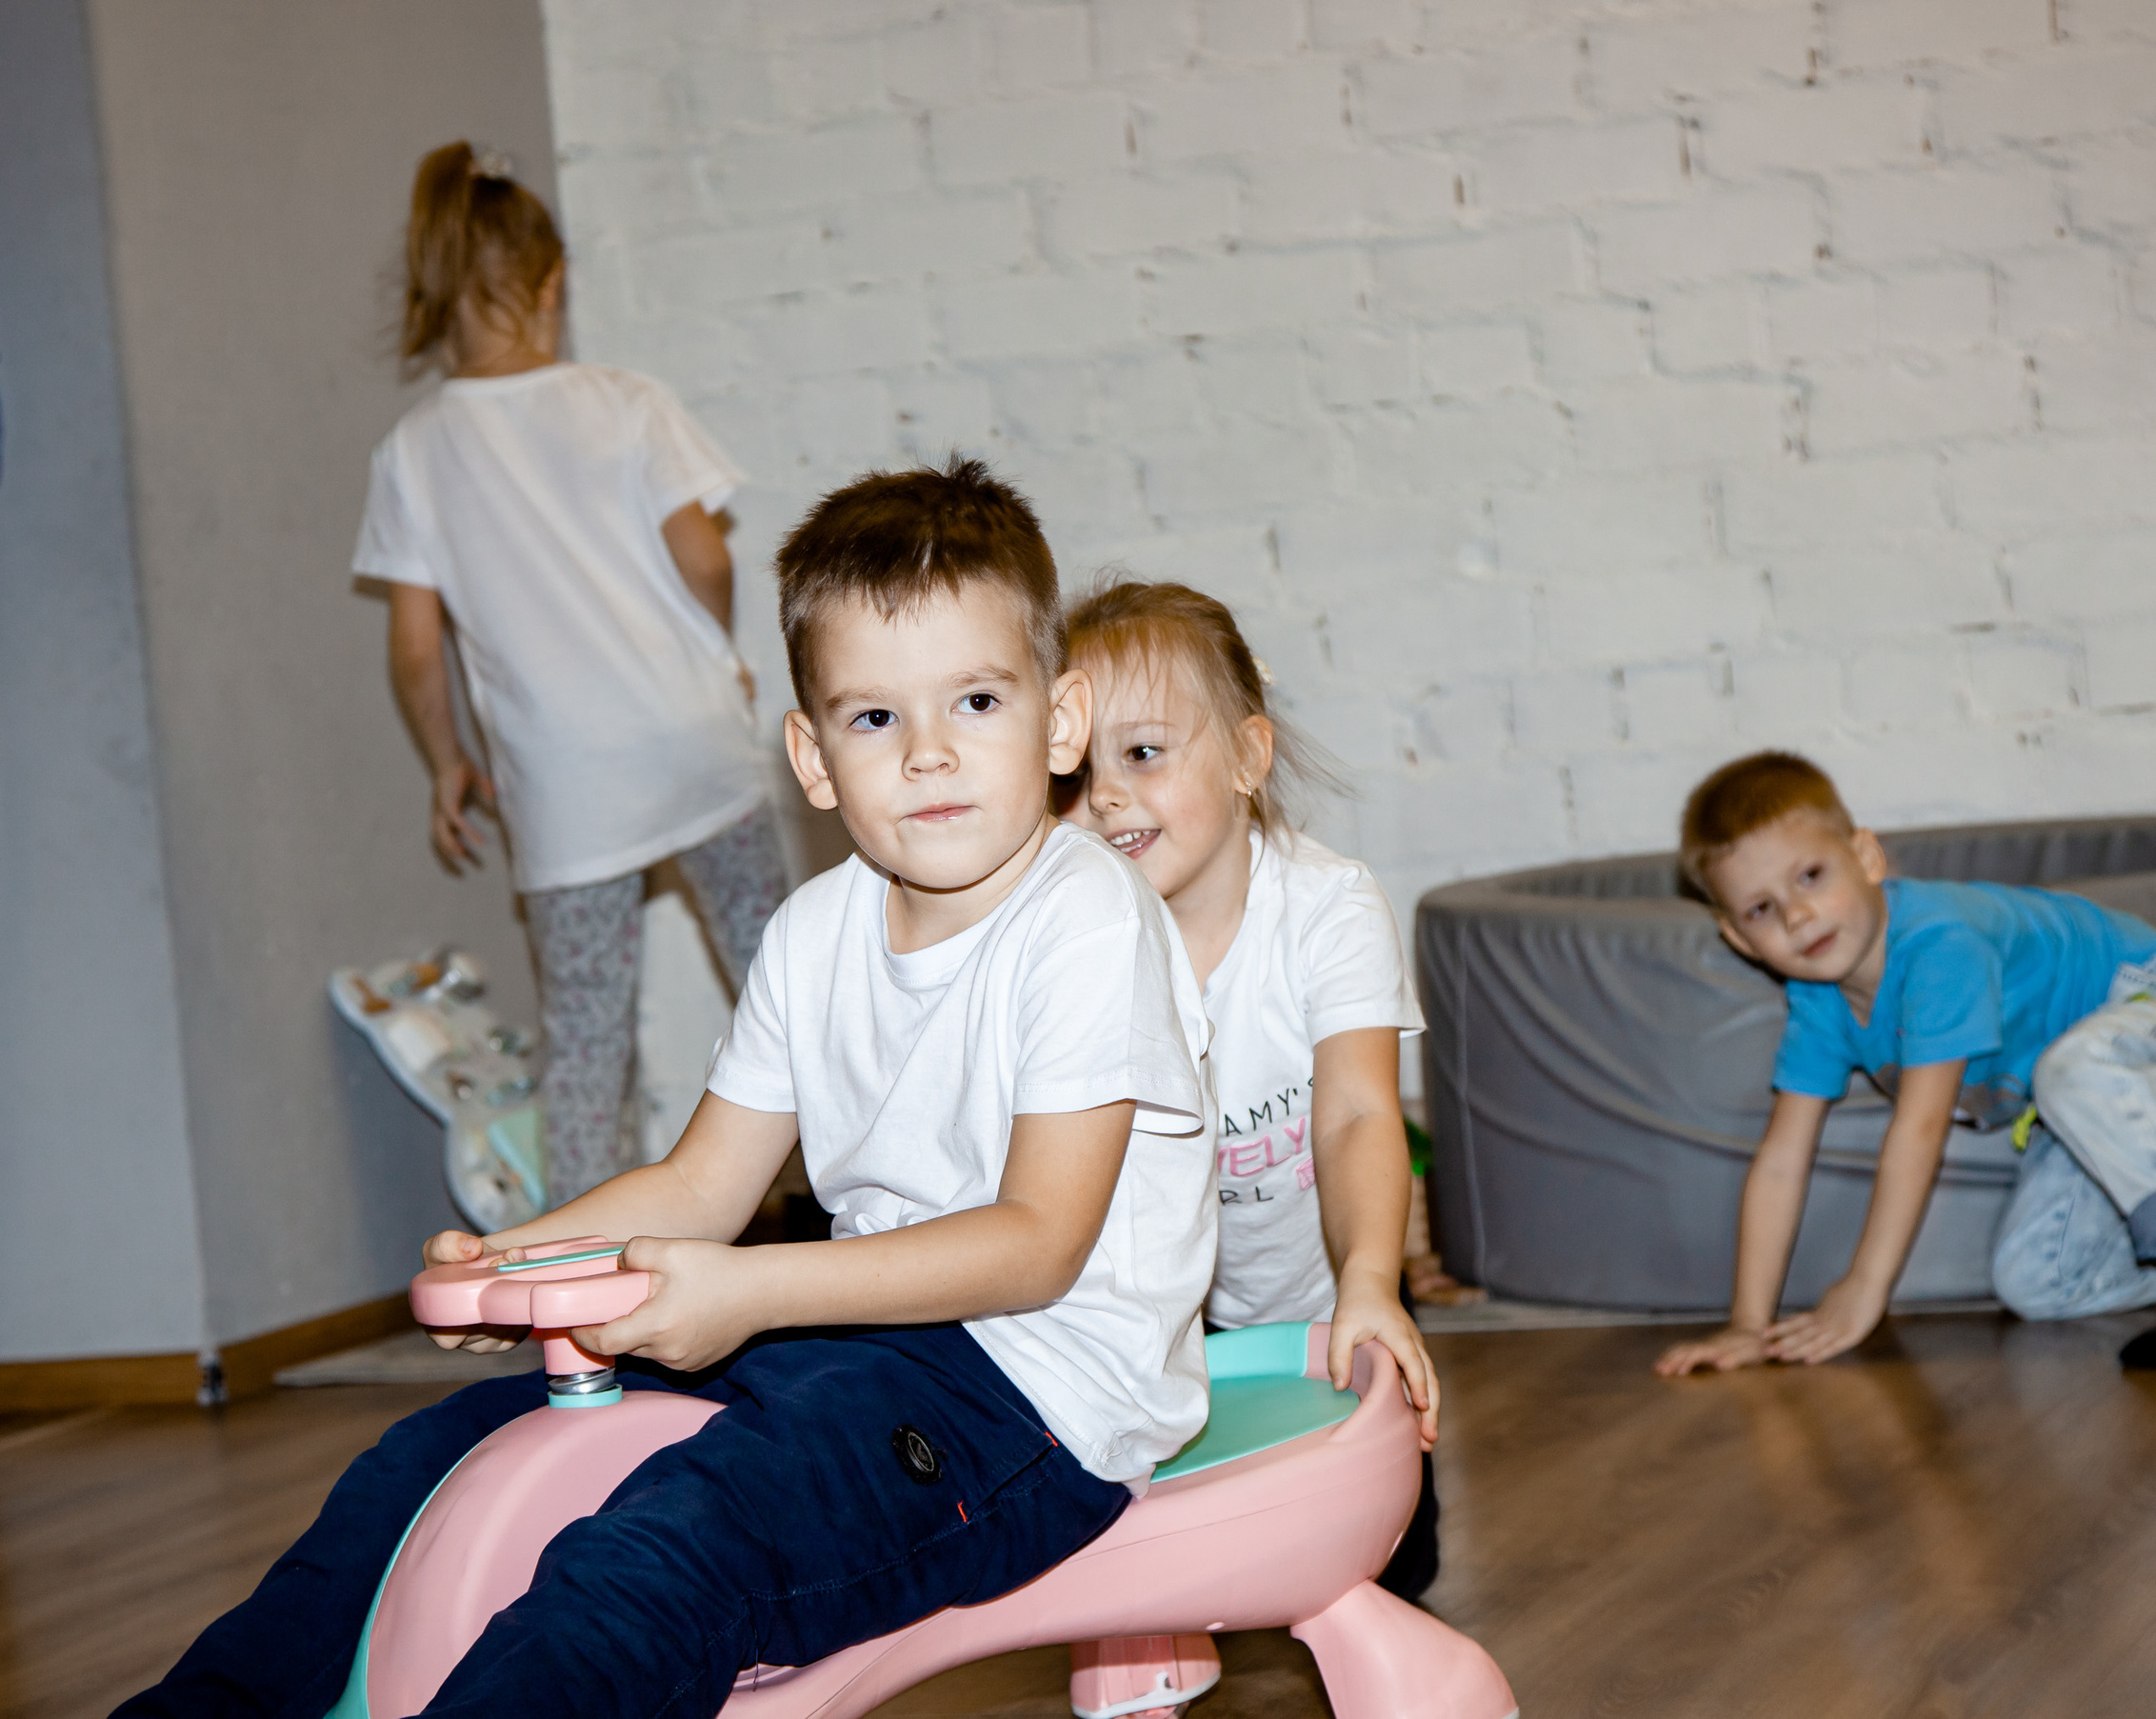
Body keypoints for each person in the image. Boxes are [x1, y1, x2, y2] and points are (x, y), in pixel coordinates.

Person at [119, 459, 1218, 1718]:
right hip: (846, 1346)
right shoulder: (815, 934)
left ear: (1060, 722)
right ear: (811, 756)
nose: (926, 755)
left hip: (1039, 1403)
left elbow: (1036, 1248)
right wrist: (517, 1262)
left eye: (974, 699)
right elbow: (702, 1184)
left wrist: (747, 1290)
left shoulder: (1084, 920)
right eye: (874, 720)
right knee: (426, 1464)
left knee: (670, 1548)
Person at [355, 140, 786, 1203]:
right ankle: (881, 1221)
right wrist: (718, 656)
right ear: (552, 285)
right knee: (789, 985)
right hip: (691, 735)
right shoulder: (625, 398)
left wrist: (448, 760)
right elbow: (707, 553)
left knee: (588, 1040)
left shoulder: (412, 451)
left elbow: (416, 647)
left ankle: (583, 1296)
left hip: (568, 782)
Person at [1653, 751, 2156, 1378]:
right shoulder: (1817, 1000)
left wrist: (1865, 1286)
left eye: (1810, 876)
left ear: (1866, 856)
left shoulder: (1938, 945)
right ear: (1737, 936)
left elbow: (1920, 1129)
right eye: (1763, 908)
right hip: (2079, 1098)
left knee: (2069, 1067)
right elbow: (1781, 1157)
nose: (1799, 916)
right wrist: (1748, 1322)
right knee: (2038, 1283)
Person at [1059, 580, 1441, 1604]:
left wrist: (1370, 1276)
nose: (1105, 796)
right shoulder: (1072, 941)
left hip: (1332, 1284)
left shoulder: (1325, 908)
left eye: (1143, 753)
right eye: (1075, 771)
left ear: (1246, 756)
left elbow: (1361, 1110)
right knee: (1173, 1563)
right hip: (1163, 1315)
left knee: (1389, 1561)